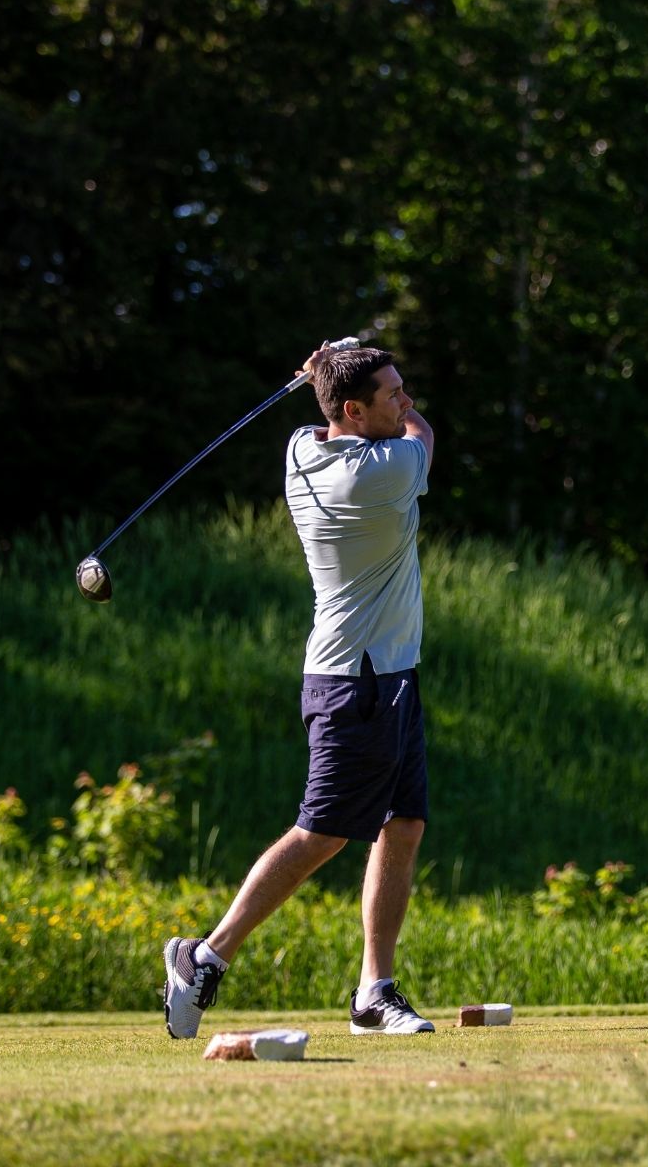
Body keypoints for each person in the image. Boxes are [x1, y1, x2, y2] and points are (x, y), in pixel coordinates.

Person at [162, 342, 438, 1038]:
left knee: (402, 823)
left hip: (387, 672)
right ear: (352, 410)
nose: (405, 401)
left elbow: (323, 420)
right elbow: (423, 435)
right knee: (324, 831)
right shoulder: (382, 473)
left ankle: (374, 990)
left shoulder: (301, 449)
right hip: (359, 682)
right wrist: (341, 378)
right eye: (393, 393)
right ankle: (205, 955)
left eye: (405, 390)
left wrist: (325, 371)